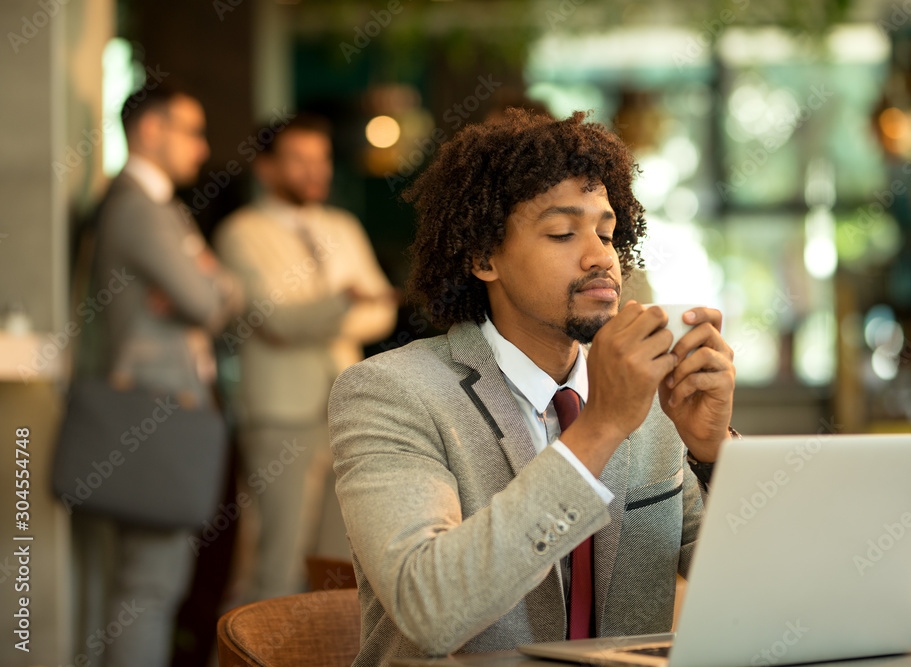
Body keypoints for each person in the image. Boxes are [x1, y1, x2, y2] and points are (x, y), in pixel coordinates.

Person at [328, 109, 736, 665]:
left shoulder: (652, 403)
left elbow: (764, 586)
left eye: (607, 233)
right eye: (563, 233)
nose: (600, 257)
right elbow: (430, 610)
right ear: (483, 257)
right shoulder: (390, 393)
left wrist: (716, 454)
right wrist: (599, 429)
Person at [90, 83, 243, 667]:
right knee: (150, 585)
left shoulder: (161, 208)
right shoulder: (139, 207)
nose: (202, 149)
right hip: (153, 411)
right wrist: (207, 281)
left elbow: (217, 290)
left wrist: (209, 282)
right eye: (192, 131)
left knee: (152, 582)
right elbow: (209, 302)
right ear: (151, 130)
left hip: (165, 410)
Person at [214, 114, 397, 602]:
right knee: (275, 562)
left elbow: (382, 312)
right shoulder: (241, 233)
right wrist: (345, 302)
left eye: (321, 159)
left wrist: (327, 312)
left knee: (339, 566)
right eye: (299, 160)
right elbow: (274, 321)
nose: (314, 171)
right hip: (280, 415)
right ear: (267, 168)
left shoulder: (342, 225)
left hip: (345, 409)